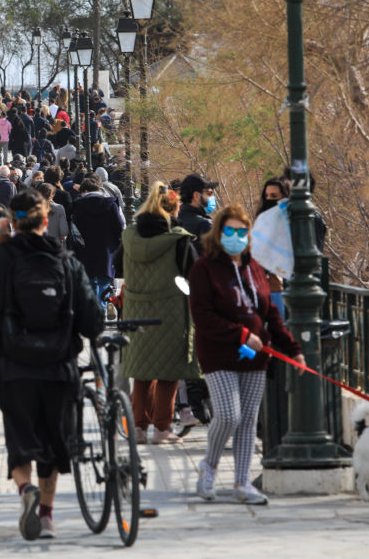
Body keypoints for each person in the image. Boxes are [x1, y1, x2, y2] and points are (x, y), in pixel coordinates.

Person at [0, 189, 103, 541]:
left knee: (20, 438)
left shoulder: (1, 255)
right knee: (54, 444)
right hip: (59, 366)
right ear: (46, 221)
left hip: (12, 364)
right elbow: (92, 321)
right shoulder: (66, 259)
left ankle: (24, 487)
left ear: (12, 222)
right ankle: (46, 516)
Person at [188, 204, 304, 505]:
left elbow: (270, 313)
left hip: (256, 355)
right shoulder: (204, 268)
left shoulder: (254, 267)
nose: (236, 237)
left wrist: (293, 349)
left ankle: (242, 482)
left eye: (242, 231)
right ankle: (209, 466)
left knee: (249, 419)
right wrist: (240, 335)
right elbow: (202, 316)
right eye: (230, 231)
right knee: (228, 414)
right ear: (219, 232)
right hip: (218, 353)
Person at [120, 182, 200, 445]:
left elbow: (116, 265)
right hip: (170, 312)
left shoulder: (130, 236)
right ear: (174, 209)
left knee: (142, 372)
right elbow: (195, 275)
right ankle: (162, 428)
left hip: (135, 311)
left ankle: (139, 428)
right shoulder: (178, 239)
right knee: (168, 372)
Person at [71, 178, 124, 309]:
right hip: (106, 249)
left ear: (84, 191)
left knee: (90, 282)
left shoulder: (78, 206)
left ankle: (94, 310)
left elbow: (74, 231)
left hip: (85, 250)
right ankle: (103, 306)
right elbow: (119, 227)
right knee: (104, 281)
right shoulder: (111, 204)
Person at [256, 177, 291, 320]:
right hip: (267, 288)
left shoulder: (295, 221)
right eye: (267, 196)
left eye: (274, 196)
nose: (269, 200)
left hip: (285, 290)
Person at [177, 174, 218, 250]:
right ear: (196, 196)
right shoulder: (205, 226)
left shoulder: (175, 221)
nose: (211, 197)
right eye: (209, 193)